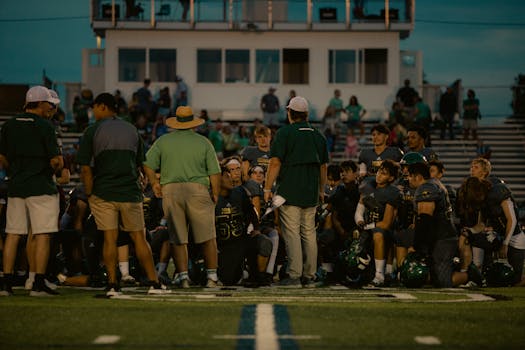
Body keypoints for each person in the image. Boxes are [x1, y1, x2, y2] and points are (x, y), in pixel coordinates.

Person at [76, 92, 168, 297]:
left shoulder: (93, 130)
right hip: (129, 191)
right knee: (139, 238)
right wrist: (152, 182)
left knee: (110, 239)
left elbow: (85, 169)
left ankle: (112, 284)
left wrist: (90, 194)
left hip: (104, 192)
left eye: (94, 108)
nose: (93, 112)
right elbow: (142, 163)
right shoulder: (131, 129)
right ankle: (154, 282)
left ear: (102, 107)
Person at [143, 106, 222, 289]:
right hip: (198, 189)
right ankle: (212, 277)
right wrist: (215, 192)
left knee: (178, 237)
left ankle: (183, 277)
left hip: (171, 189)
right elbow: (214, 172)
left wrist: (154, 182)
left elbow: (147, 162)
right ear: (193, 123)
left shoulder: (163, 141)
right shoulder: (203, 142)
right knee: (208, 237)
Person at [0, 86, 63, 297]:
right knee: (42, 234)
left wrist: (16, 170)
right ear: (41, 103)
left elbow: (2, 158)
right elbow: (56, 161)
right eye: (49, 104)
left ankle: (6, 283)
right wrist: (47, 169)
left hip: (16, 185)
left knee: (13, 234)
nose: (51, 107)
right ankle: (37, 282)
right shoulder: (45, 126)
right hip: (41, 186)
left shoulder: (9, 125)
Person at [264, 96, 329, 287]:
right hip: (311, 192)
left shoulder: (284, 133)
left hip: (289, 191)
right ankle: (309, 275)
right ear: (307, 114)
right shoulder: (318, 135)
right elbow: (323, 167)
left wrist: (268, 188)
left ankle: (294, 275)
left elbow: (275, 162)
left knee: (292, 233)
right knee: (309, 233)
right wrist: (321, 190)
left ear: (290, 112)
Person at [407, 162, 469, 287]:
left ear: (418, 176)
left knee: (443, 281)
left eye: (409, 176)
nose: (407, 179)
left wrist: (417, 245)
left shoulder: (426, 188)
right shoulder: (434, 184)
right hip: (440, 237)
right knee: (431, 277)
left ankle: (471, 274)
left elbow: (425, 219)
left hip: (442, 238)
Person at [355, 159, 402, 286]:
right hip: (368, 227)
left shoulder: (392, 192)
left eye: (384, 173)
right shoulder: (368, 185)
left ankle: (379, 275)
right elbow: (359, 211)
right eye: (379, 171)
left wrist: (367, 226)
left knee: (378, 234)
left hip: (384, 231)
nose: (379, 175)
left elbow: (386, 223)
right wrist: (359, 221)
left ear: (391, 178)